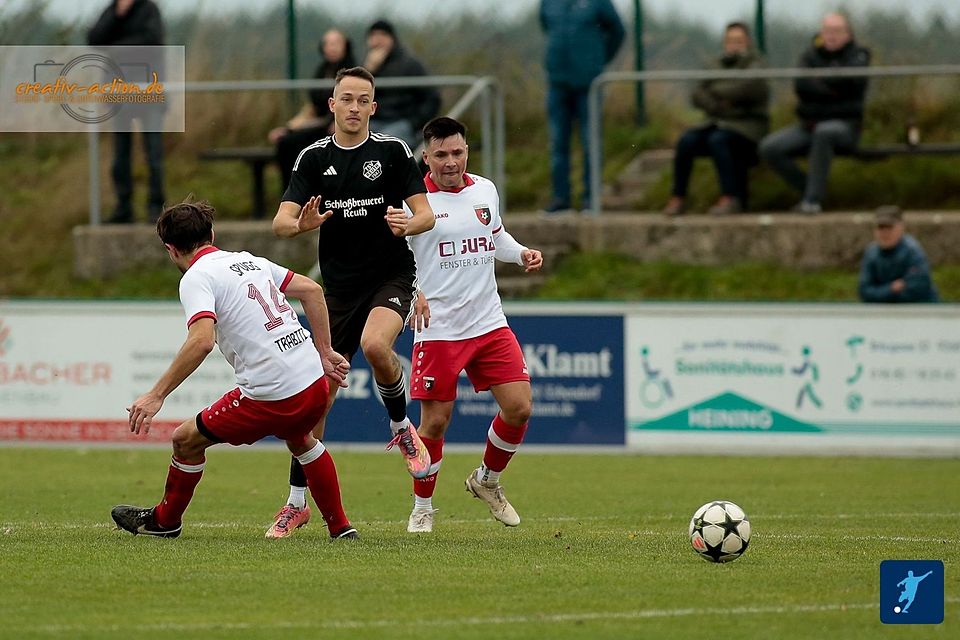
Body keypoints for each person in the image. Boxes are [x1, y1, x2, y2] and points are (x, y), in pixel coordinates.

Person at [110, 200, 357, 540]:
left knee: (185, 440)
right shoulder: (249, 260)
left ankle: (165, 522)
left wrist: (156, 395)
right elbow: (312, 290)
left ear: (170, 249)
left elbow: (201, 341)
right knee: (302, 439)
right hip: (314, 380)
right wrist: (325, 351)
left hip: (272, 395)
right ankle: (341, 528)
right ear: (212, 234)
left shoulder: (197, 277)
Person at [268, 66, 437, 538]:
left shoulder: (392, 152)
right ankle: (296, 504)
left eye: (364, 100)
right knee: (315, 406)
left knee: (377, 346)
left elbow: (425, 214)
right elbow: (280, 223)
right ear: (332, 104)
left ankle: (401, 427)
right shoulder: (312, 157)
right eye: (347, 99)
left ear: (373, 108)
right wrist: (302, 225)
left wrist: (409, 224)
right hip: (338, 291)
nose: (355, 107)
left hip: (390, 276)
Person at [403, 116, 543, 533]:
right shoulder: (411, 202)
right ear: (426, 157)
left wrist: (520, 253)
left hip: (488, 321)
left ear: (467, 151)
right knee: (435, 422)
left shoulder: (484, 189)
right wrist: (412, 291)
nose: (451, 161)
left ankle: (487, 480)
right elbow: (393, 260)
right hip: (439, 327)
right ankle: (422, 508)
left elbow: (495, 237)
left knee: (519, 408)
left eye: (458, 152)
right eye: (441, 154)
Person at [758, 13, 870, 214]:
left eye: (837, 31)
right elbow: (801, 85)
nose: (831, 35)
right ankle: (809, 188)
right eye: (827, 31)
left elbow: (852, 84)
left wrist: (819, 84)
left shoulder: (858, 55)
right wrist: (832, 88)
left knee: (824, 132)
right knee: (769, 148)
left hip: (845, 126)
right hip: (808, 125)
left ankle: (812, 200)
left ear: (848, 34)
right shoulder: (810, 55)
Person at [663, 22, 769, 216]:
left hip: (747, 128)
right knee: (686, 141)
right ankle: (678, 197)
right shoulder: (715, 63)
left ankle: (730, 198)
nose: (733, 45)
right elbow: (697, 93)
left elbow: (748, 88)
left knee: (718, 140)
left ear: (747, 42)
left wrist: (715, 90)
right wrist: (718, 105)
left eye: (738, 41)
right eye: (730, 41)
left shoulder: (756, 63)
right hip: (716, 122)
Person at [539, 0, 624, 213]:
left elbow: (617, 31)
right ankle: (561, 199)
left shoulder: (599, 2)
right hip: (557, 83)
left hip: (589, 85)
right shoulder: (548, 3)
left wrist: (598, 60)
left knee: (590, 142)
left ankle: (590, 199)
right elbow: (546, 27)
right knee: (558, 143)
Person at [88, 0, 166, 224]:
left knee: (154, 154)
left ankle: (156, 208)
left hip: (149, 92)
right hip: (119, 94)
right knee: (120, 156)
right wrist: (117, 15)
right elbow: (94, 39)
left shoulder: (149, 10)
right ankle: (123, 208)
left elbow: (152, 41)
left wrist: (115, 49)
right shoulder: (112, 10)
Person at [270, 29, 355, 189]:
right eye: (328, 44)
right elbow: (312, 108)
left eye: (336, 43)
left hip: (336, 126)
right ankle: (291, 194)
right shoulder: (322, 70)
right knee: (285, 142)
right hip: (319, 123)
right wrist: (288, 128)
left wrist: (341, 123)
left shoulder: (352, 71)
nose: (332, 47)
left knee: (297, 144)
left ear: (345, 46)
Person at [362, 19, 440, 151]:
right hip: (373, 121)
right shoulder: (365, 65)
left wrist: (414, 123)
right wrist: (369, 71)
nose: (378, 40)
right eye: (373, 35)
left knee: (383, 143)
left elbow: (432, 98)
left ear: (392, 39)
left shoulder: (410, 64)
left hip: (402, 121)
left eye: (382, 35)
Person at [858, 206, 938, 303]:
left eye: (889, 227)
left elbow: (919, 287)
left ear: (901, 228)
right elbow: (864, 291)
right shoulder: (871, 253)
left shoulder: (912, 251)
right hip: (884, 310)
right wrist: (891, 289)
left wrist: (880, 293)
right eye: (881, 227)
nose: (885, 233)